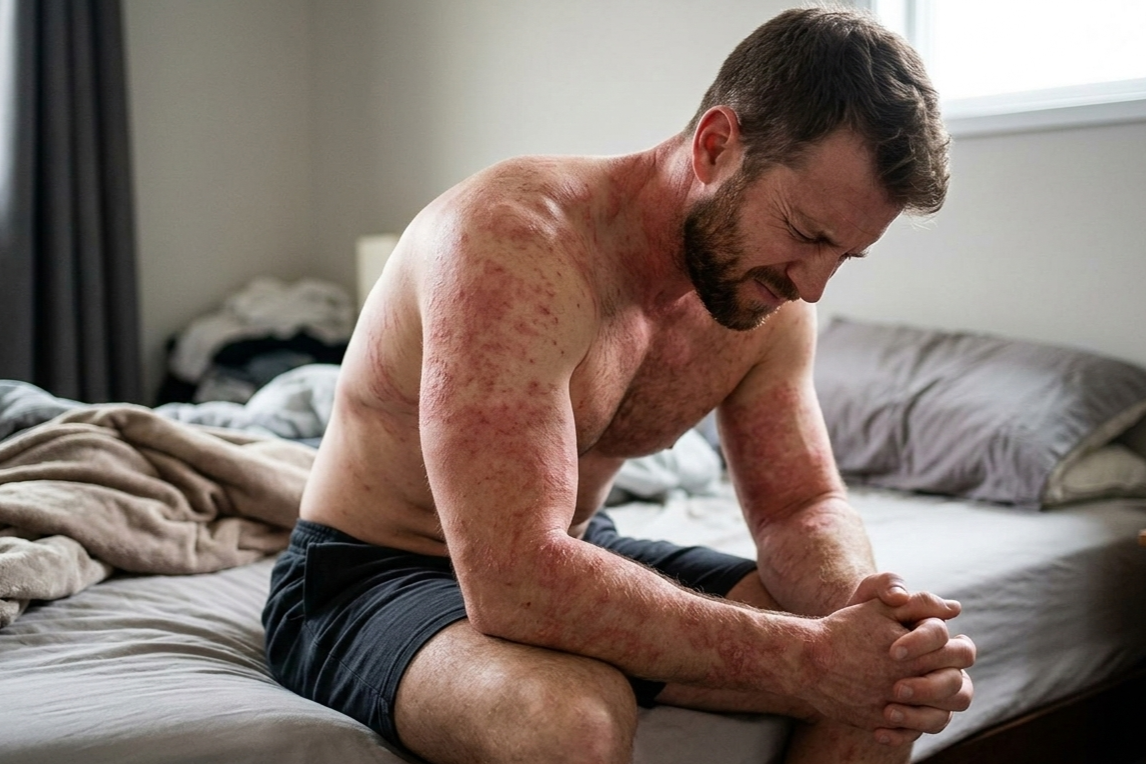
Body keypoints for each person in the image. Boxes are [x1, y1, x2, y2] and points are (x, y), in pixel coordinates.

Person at [263, 7, 976, 764]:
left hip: (567, 544)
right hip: (371, 571)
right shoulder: (515, 244)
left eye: (845, 255)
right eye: (805, 232)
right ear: (715, 146)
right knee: (572, 721)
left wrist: (862, 615)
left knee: (889, 679)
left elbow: (802, 505)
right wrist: (810, 660)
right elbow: (514, 579)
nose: (814, 285)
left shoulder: (766, 298)